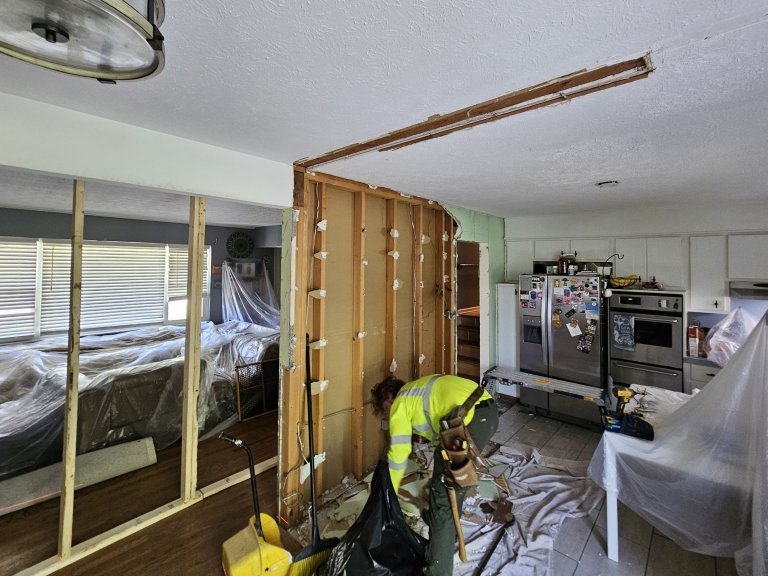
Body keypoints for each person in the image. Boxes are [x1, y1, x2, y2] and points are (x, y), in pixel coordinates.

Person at [371, 373, 499, 576]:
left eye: (385, 410)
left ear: (389, 398)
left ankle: (438, 569)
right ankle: (444, 531)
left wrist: (390, 495)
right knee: (448, 478)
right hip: (487, 412)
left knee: (443, 499)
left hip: (468, 422)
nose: (387, 416)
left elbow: (399, 454)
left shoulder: (400, 404)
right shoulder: (416, 389)